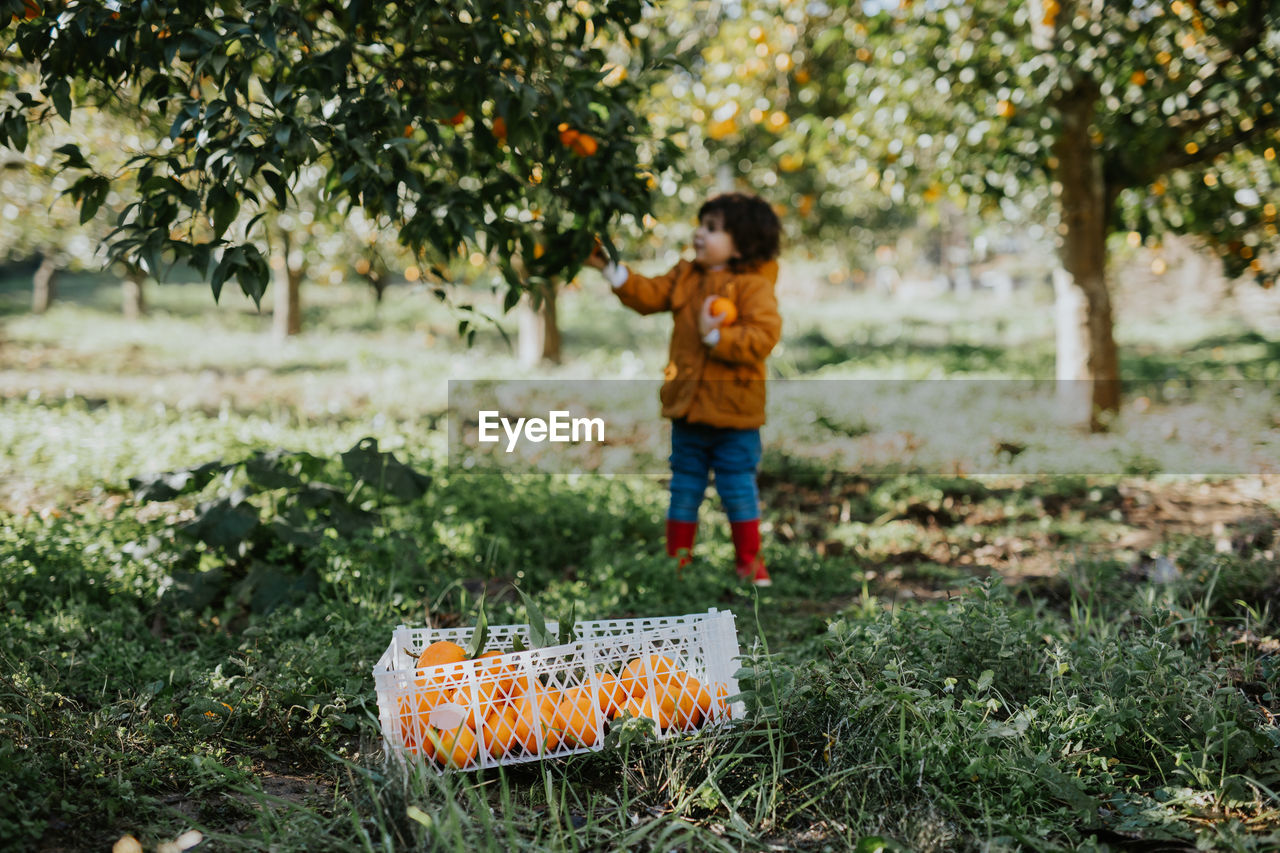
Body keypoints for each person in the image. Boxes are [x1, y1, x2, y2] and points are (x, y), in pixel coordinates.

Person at [586, 192, 782, 586]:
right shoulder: (686, 275)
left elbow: (763, 336)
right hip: (687, 408)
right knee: (684, 485)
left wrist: (716, 339)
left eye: (711, 229)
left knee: (737, 485)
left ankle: (750, 562)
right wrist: (612, 271)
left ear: (742, 242)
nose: (699, 234)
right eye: (700, 224)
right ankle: (677, 561)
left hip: (734, 412)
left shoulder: (753, 286)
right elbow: (650, 295)